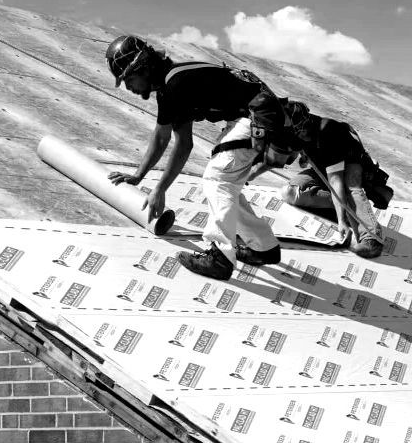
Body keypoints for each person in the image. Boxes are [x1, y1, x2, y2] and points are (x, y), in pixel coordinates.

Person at [105, 34, 295, 281]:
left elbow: (183, 146)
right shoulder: (171, 83)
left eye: (129, 79)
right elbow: (163, 137)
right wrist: (138, 176)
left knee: (217, 178)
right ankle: (263, 247)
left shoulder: (175, 85)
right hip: (253, 116)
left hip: (256, 117)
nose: (129, 87)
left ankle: (219, 258)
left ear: (145, 67)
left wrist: (160, 189)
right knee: (226, 185)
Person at [279, 113, 391, 259]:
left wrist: (341, 222)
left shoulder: (328, 134)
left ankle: (372, 240)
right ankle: (342, 204)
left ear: (306, 129)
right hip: (323, 167)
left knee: (351, 189)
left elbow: (335, 181)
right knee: (289, 192)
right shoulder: (291, 124)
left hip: (350, 161)